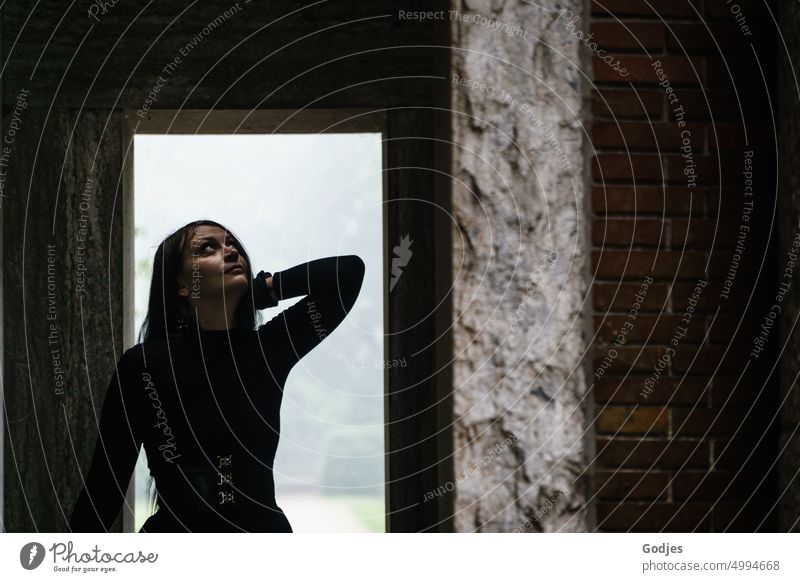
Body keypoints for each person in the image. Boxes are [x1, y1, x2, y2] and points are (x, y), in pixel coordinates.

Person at [68, 219, 365, 532]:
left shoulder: (269, 350)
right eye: (207, 248)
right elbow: (104, 490)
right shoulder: (142, 367)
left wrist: (262, 290)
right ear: (182, 285)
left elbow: (346, 274)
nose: (231, 252)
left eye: (232, 244)